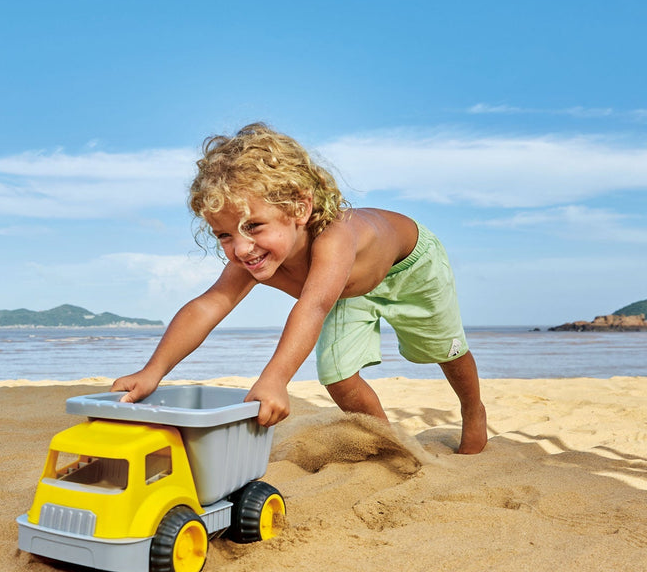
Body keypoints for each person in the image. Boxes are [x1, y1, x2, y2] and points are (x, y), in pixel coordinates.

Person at [112, 122, 487, 454]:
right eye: (224, 235)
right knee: (338, 375)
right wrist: (153, 371)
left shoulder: (333, 239)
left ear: (300, 208)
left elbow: (312, 307)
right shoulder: (253, 257)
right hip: (343, 292)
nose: (241, 247)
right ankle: (389, 443)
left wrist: (274, 380)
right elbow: (208, 306)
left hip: (410, 267)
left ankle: (474, 410)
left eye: (254, 226)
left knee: (445, 348)